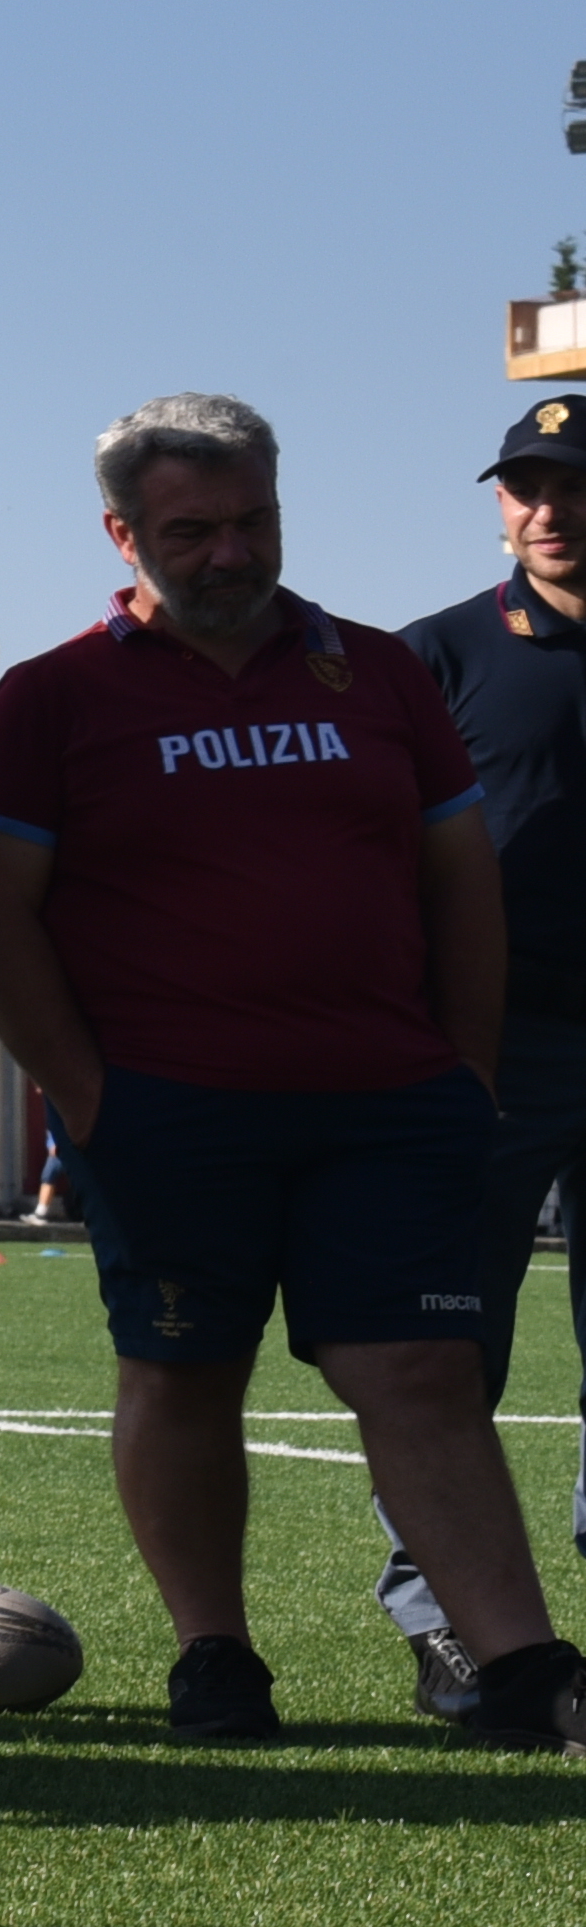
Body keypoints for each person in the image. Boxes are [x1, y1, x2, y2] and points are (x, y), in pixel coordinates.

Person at [0, 392, 586, 1753]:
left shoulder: (378, 672)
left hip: (389, 1100)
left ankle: (522, 1665)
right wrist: (88, 1095)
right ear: (123, 533)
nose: (233, 554)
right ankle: (216, 1654)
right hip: (171, 1108)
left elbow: (460, 881)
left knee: (422, 1367)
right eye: (195, 531)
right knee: (184, 1373)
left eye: (255, 523)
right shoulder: (54, 698)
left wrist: (464, 1068)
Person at [379, 392, 586, 1721]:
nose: (549, 511)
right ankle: (446, 1620)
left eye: (571, 486)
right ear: (500, 503)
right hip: (489, 1051)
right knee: (451, 1349)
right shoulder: (432, 658)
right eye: (526, 488)